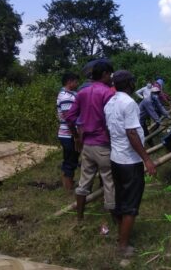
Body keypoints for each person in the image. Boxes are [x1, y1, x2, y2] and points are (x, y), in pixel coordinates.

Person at [104, 70, 157, 256]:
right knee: (131, 205)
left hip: (116, 159)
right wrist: (147, 159)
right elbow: (132, 133)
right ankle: (123, 247)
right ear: (129, 83)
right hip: (129, 161)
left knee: (121, 199)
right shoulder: (129, 103)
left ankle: (121, 236)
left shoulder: (110, 102)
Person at [65, 61, 116, 222]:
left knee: (84, 182)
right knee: (109, 181)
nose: (111, 78)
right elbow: (111, 121)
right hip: (104, 144)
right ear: (105, 74)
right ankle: (115, 220)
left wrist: (76, 137)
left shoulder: (82, 93)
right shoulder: (108, 93)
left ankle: (80, 217)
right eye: (110, 75)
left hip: (87, 144)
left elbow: (69, 118)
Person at [56, 72, 80, 190]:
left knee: (72, 158)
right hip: (68, 134)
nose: (77, 84)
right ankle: (68, 186)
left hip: (69, 133)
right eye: (76, 81)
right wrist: (75, 136)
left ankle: (68, 182)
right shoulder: (66, 97)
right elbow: (69, 119)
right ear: (69, 82)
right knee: (70, 160)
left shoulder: (72, 94)